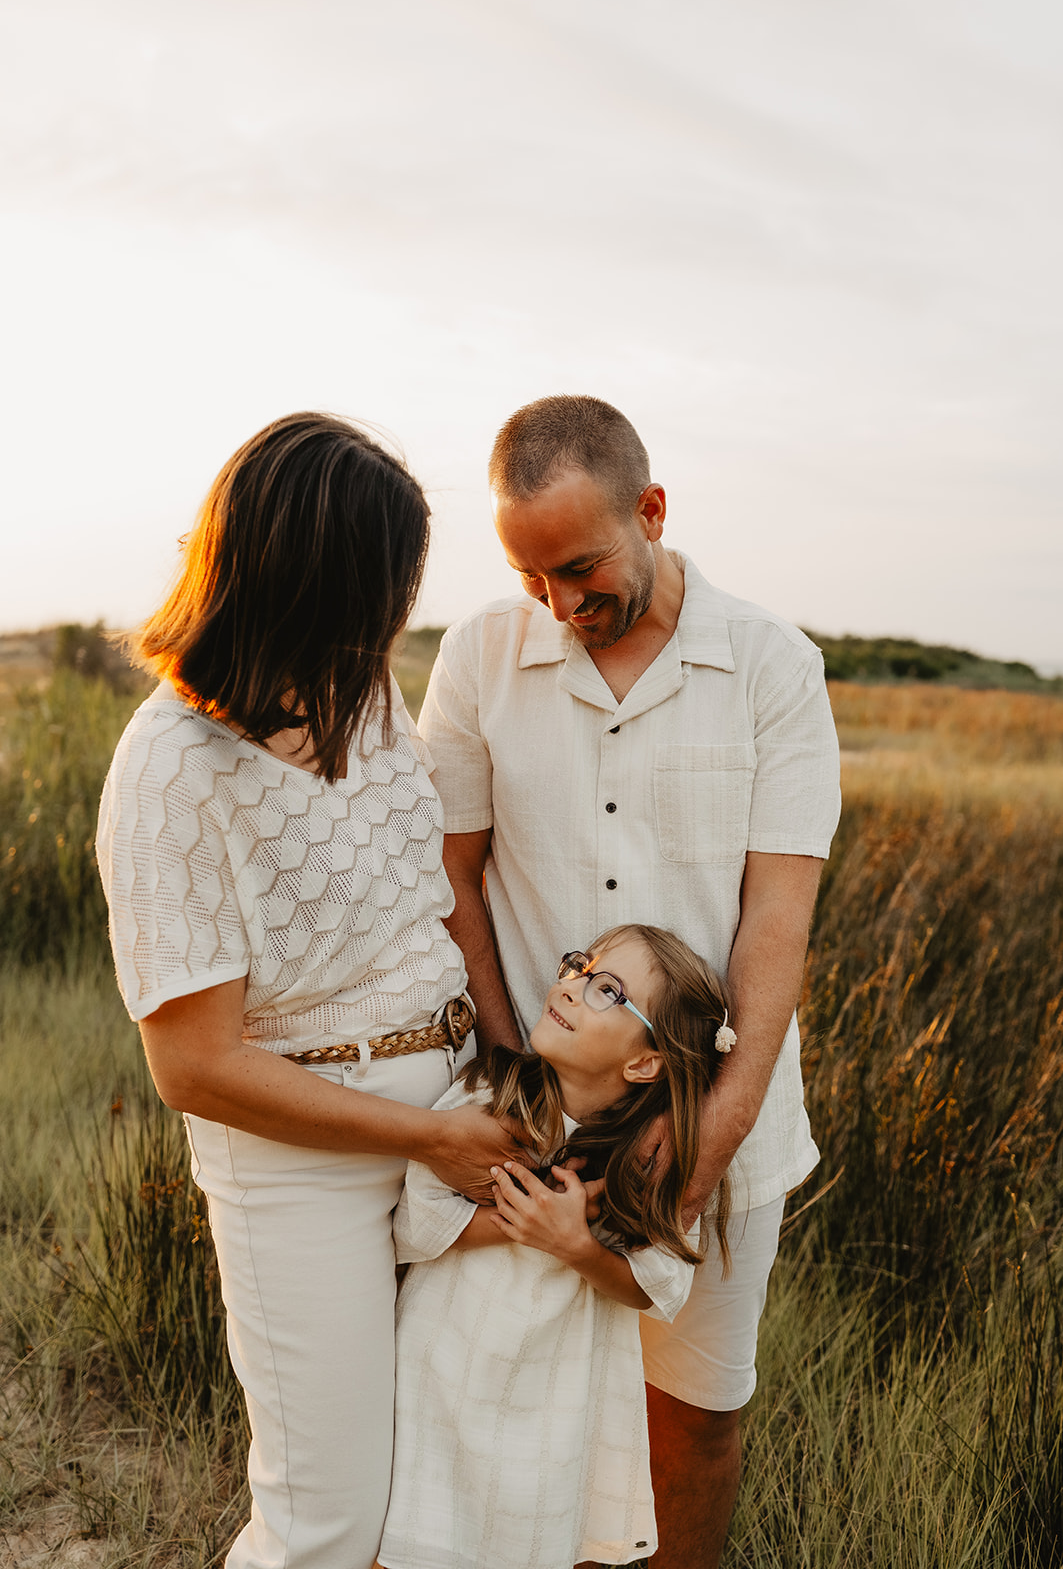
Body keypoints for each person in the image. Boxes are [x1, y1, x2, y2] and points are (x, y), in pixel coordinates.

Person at [418, 394, 842, 1568]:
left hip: (712, 1119)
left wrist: (704, 1149)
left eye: (580, 566)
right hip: (529, 1123)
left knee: (692, 1430)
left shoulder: (771, 665)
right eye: (527, 574)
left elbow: (774, 926)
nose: (557, 604)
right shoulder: (475, 659)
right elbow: (454, 876)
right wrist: (509, 1075)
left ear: (650, 510)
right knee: (512, 1416)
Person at [95, 412, 522, 1569]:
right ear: (302, 580)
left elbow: (426, 896)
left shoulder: (364, 694)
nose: (393, 617)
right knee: (326, 1517)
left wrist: (493, 1072)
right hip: (301, 1156)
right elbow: (193, 1065)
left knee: (439, 1491)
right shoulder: (171, 765)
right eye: (380, 588)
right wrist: (425, 1135)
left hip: (451, 1108)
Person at [375, 924, 735, 1569]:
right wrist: (532, 1221)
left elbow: (659, 1287)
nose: (569, 985)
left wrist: (579, 1248)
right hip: (441, 1365)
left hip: (554, 1394)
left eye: (606, 991)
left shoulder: (647, 1160)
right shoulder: (491, 1092)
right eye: (578, 966)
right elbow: (414, 1222)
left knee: (526, 1535)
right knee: (414, 1532)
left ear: (645, 1062)